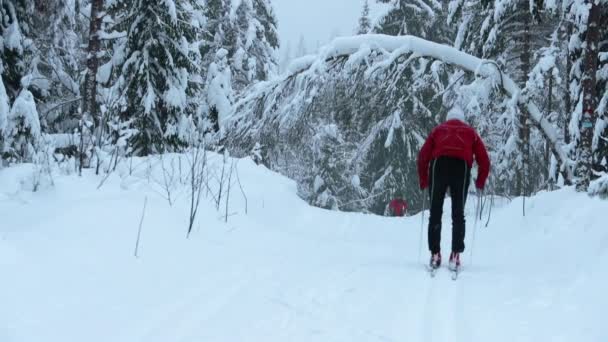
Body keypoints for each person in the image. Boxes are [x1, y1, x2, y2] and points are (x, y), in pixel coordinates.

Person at [417, 106, 490, 271]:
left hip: (439, 166)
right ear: (462, 119)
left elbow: (423, 156)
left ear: (448, 119)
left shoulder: (438, 130)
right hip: (460, 167)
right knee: (458, 213)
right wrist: (480, 181)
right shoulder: (470, 132)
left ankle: (435, 254)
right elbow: (484, 159)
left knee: (435, 211)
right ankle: (455, 254)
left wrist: (424, 180)